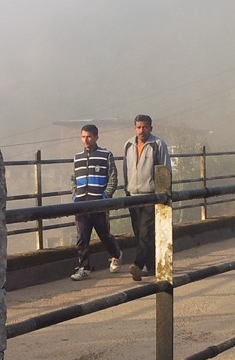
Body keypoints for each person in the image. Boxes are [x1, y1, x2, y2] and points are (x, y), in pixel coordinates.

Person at [69, 124, 123, 281]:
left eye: (89, 136)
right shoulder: (77, 157)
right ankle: (84, 268)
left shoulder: (105, 155)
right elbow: (73, 178)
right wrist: (75, 195)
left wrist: (106, 196)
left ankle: (116, 254)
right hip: (81, 204)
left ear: (96, 137)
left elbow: (113, 176)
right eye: (83, 137)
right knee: (82, 237)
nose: (86, 140)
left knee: (104, 235)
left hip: (98, 203)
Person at [122, 114, 171, 281]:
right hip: (133, 195)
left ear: (151, 128)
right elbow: (125, 169)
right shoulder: (128, 145)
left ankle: (137, 264)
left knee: (146, 231)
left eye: (144, 127)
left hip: (151, 195)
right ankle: (151, 266)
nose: (141, 130)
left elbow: (165, 169)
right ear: (134, 128)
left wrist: (163, 193)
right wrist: (126, 190)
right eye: (138, 127)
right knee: (139, 233)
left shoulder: (157, 145)